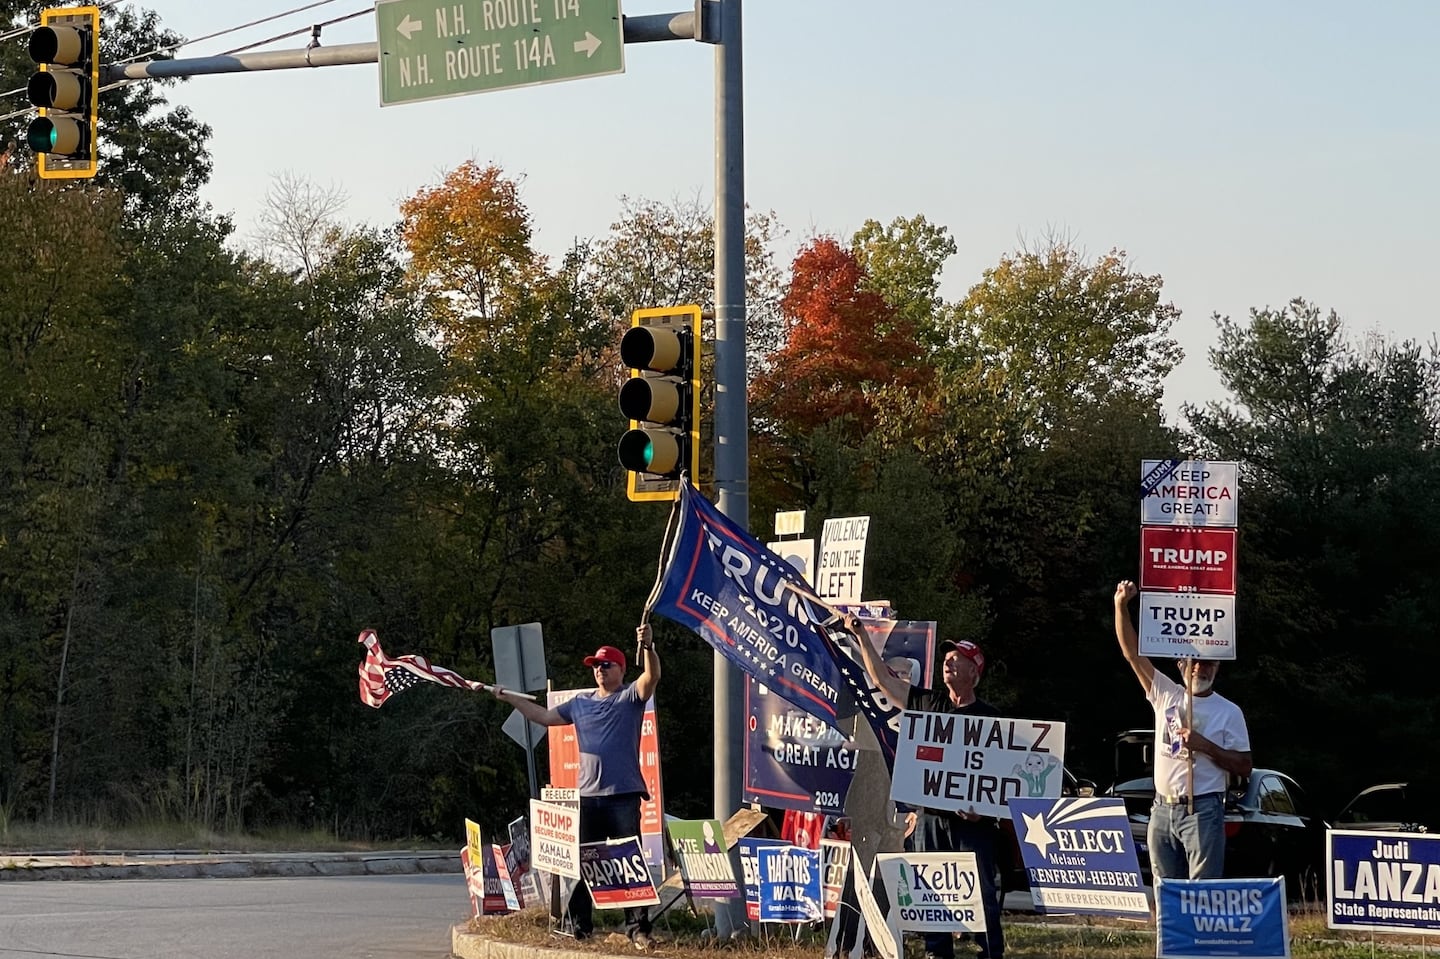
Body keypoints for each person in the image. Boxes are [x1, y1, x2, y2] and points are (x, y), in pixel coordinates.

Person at [493, 624, 661, 949]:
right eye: (595, 666)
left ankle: (638, 929)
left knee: (629, 864)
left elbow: (651, 677)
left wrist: (650, 648)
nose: (599, 670)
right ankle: (579, 927)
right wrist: (511, 699)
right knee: (583, 864)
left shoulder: (630, 697)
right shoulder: (580, 703)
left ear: (621, 669)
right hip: (587, 798)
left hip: (623, 797)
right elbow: (542, 716)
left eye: (606, 665)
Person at [848, 616, 1005, 959]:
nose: (948, 662)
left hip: (972, 825)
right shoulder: (925, 703)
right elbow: (881, 679)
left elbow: (1004, 780)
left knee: (980, 893)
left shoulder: (991, 718)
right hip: (931, 819)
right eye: (946, 658)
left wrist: (984, 812)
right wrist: (861, 636)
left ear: (974, 672)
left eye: (957, 659)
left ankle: (990, 952)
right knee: (932, 893)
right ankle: (937, 952)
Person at [1113, 580, 1252, 880]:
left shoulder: (1229, 712)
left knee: (1201, 896)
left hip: (1203, 810)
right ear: (1181, 664)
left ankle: (1201, 930)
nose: (1201, 669)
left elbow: (1245, 766)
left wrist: (1205, 746)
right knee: (1166, 893)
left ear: (1218, 666)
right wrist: (1121, 605)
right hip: (1162, 809)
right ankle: (1168, 931)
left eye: (1209, 664)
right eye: (1194, 662)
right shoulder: (1166, 693)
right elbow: (1132, 655)